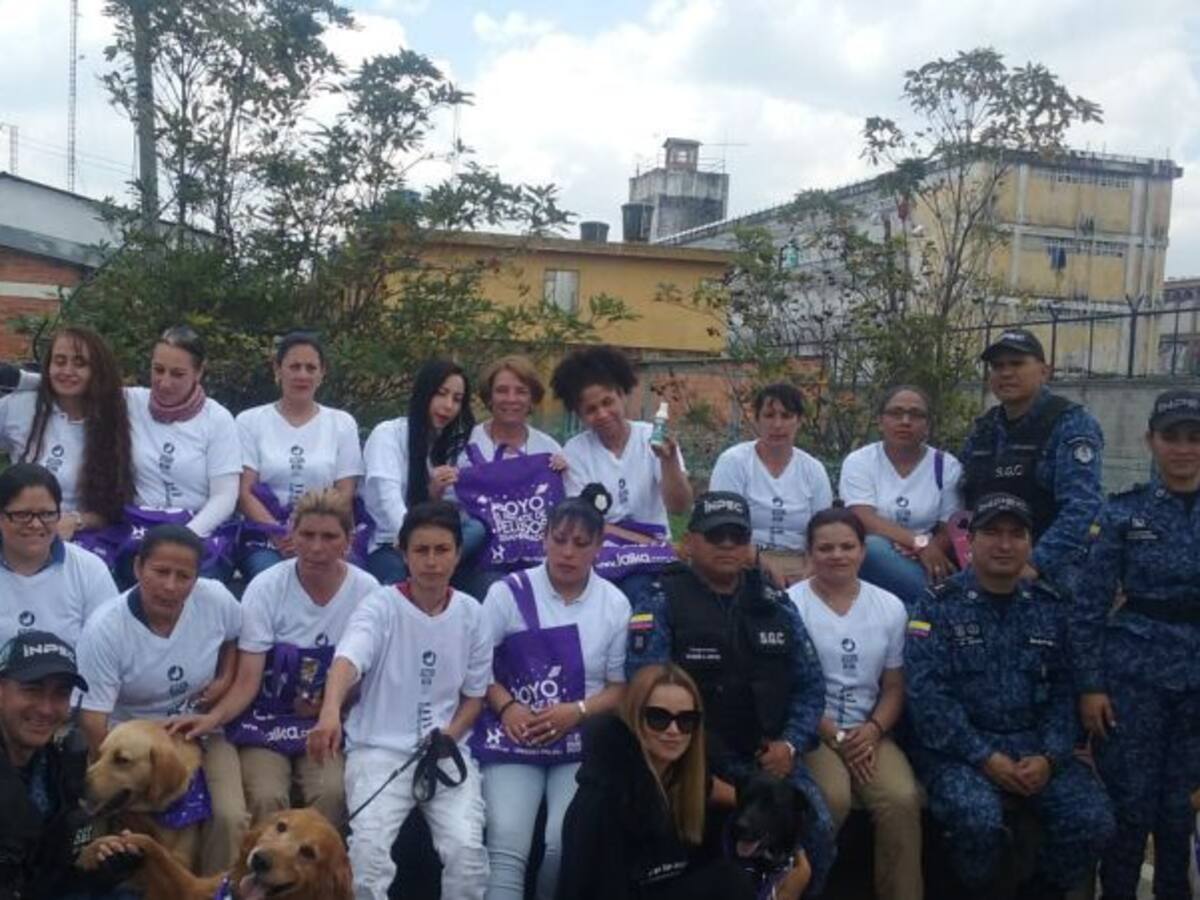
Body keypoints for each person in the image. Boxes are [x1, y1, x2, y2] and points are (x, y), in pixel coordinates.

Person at [625, 491, 836, 897]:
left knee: (819, 834)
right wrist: (696, 760)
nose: (726, 545)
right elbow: (645, 688)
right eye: (715, 535)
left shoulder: (776, 603)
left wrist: (789, 746)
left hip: (770, 762)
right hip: (689, 759)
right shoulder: (661, 599)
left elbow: (811, 686)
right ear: (690, 543)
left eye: (736, 537)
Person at [905, 492, 1114, 898]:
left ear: (1030, 544)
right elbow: (928, 697)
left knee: (1093, 820)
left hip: (1036, 750)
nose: (1004, 544)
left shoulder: (1051, 607)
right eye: (992, 533)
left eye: (1016, 535)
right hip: (959, 753)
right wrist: (985, 758)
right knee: (977, 818)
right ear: (972, 541)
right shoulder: (936, 606)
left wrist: (1051, 758)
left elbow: (1063, 692)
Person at [308, 500, 492, 900]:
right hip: (378, 751)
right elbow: (348, 659)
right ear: (404, 554)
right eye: (421, 550)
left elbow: (474, 698)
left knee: (466, 852)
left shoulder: (473, 615)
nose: (431, 561)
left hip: (445, 753)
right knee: (369, 856)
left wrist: (449, 735)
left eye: (442, 550)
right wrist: (329, 711)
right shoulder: (380, 605)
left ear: (458, 554)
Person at [167, 488, 379, 826]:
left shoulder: (367, 591)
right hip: (265, 720)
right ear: (291, 534)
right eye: (307, 535)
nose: (316, 547)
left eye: (329, 536)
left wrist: (331, 705)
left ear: (348, 540)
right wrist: (214, 718)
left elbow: (367, 677)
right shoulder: (266, 587)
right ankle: (262, 875)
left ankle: (314, 878)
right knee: (267, 795)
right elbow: (248, 681)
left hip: (326, 721)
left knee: (332, 791)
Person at [1071, 388, 1200, 900]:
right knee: (1129, 807)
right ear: (1151, 441)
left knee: (1179, 811)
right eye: (1172, 437)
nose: (1184, 449)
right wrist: (1089, 686)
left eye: (1195, 438)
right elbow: (1088, 606)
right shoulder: (1124, 514)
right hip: (1134, 680)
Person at [478, 497, 630, 900]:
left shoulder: (614, 604)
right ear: (543, 538)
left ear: (599, 547)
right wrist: (507, 706)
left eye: (581, 543)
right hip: (514, 734)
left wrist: (576, 712)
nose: (568, 552)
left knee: (562, 843)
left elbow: (620, 689)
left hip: (579, 739)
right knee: (507, 843)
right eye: (559, 539)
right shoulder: (506, 593)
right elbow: (476, 667)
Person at [76, 525, 246, 876]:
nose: (171, 586)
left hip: (199, 729)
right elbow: (93, 721)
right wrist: (120, 781)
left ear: (197, 578)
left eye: (184, 576)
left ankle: (216, 891)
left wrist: (225, 677)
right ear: (138, 568)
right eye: (160, 572)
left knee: (230, 816)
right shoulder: (106, 629)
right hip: (129, 742)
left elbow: (236, 639)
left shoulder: (215, 600)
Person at [786, 507, 922, 900]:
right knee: (832, 797)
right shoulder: (790, 604)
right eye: (825, 548)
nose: (837, 555)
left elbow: (894, 685)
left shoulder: (890, 607)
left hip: (870, 730)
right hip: (815, 731)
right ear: (809, 553)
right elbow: (790, 687)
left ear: (864, 551)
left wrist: (874, 730)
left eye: (847, 546)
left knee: (901, 798)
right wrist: (835, 735)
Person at [555, 664, 768, 900]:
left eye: (686, 720)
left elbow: (734, 798)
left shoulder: (685, 782)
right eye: (659, 718)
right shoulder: (602, 796)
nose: (673, 730)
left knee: (730, 879)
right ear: (635, 718)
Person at [959, 328, 1104, 588]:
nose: (1006, 373)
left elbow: (1083, 506)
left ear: (1044, 371)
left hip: (1046, 575)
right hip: (982, 569)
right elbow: (964, 499)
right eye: (998, 366)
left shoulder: (1070, 424)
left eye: (1017, 363)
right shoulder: (984, 429)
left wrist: (1034, 564)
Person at [550, 345, 692, 597]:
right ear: (580, 415)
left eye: (608, 402)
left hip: (653, 561)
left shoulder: (652, 437)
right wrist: (647, 543)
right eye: (591, 410)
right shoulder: (575, 452)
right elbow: (588, 523)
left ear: (622, 395)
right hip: (602, 557)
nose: (602, 414)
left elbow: (679, 507)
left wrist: (668, 462)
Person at [234, 332, 364, 581]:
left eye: (310, 367)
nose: (302, 375)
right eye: (294, 366)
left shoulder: (342, 423)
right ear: (278, 369)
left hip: (324, 534)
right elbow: (244, 492)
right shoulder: (250, 421)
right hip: (266, 537)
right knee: (271, 578)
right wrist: (281, 534)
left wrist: (311, 535)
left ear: (322, 372)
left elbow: (345, 492)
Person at [122, 326, 243, 583]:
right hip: (141, 527)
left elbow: (225, 495)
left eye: (177, 374)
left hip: (198, 530)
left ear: (198, 372)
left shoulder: (217, 419)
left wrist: (183, 538)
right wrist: (20, 378)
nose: (164, 382)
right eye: (158, 370)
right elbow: (73, 386)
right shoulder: (132, 403)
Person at [0, 326, 134, 543]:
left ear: (97, 370)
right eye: (60, 361)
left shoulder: (113, 420)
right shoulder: (19, 406)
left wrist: (76, 520)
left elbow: (112, 509)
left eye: (80, 363)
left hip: (72, 540)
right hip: (14, 533)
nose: (67, 371)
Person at [362, 359, 485, 586]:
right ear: (424, 392)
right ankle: (433, 567)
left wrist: (435, 493)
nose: (448, 406)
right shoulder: (388, 434)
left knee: (476, 529)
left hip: (435, 543)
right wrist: (416, 546)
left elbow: (453, 509)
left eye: (457, 399)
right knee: (400, 577)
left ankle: (437, 565)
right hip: (392, 543)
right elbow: (389, 502)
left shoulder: (448, 447)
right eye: (441, 393)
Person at [839, 385, 962, 606]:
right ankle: (942, 605)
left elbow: (948, 529)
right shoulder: (860, 461)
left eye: (916, 414)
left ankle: (926, 608)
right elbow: (863, 518)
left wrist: (926, 551)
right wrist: (919, 543)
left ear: (927, 425)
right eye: (896, 413)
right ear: (880, 421)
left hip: (925, 561)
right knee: (873, 546)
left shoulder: (945, 465)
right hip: (876, 557)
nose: (905, 421)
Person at [709, 382, 831, 588]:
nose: (777, 424)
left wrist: (807, 577)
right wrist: (766, 566)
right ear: (756, 420)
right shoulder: (733, 462)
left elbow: (825, 532)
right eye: (769, 415)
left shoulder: (814, 470)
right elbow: (723, 527)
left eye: (786, 416)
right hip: (743, 560)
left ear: (799, 421)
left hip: (802, 563)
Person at [0, 464, 116, 648]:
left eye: (47, 514)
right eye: (22, 515)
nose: (36, 524)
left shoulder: (89, 570)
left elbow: (110, 646)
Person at [462, 355, 565, 463]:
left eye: (521, 391)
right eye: (502, 390)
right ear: (489, 397)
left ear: (532, 399)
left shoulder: (550, 450)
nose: (511, 399)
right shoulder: (465, 443)